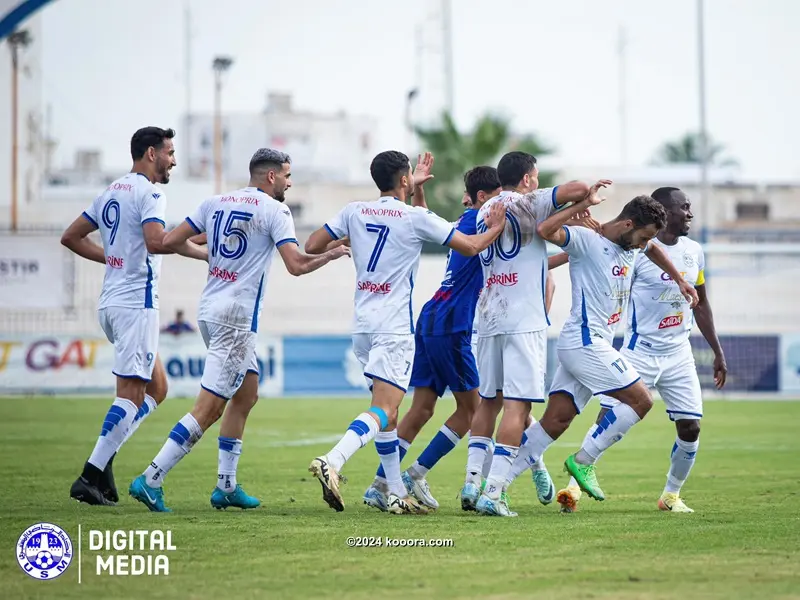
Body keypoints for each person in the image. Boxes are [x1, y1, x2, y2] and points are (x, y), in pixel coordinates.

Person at [128, 148, 349, 512]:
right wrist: (328, 254)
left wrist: (206, 254)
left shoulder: (214, 202)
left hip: (210, 309)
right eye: (288, 175)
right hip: (235, 319)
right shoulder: (276, 210)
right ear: (271, 177)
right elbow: (295, 265)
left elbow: (168, 241)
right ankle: (151, 478)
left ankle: (226, 487)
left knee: (246, 395)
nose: (290, 182)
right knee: (209, 408)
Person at [304, 150, 507, 514]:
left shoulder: (355, 211)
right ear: (404, 179)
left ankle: (393, 490)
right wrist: (498, 226)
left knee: (393, 414)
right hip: (393, 328)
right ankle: (333, 459)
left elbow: (312, 245)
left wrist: (349, 243)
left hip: (362, 325)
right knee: (385, 410)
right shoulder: (415, 218)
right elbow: (473, 245)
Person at [508, 183, 699, 510]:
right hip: (585, 341)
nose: (644, 245)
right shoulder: (586, 239)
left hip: (590, 343)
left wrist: (680, 279)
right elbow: (545, 229)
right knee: (641, 400)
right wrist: (579, 206)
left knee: (556, 421)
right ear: (628, 226)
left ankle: (494, 484)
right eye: (642, 237)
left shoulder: (631, 245)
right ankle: (584, 460)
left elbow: (651, 249)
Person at [557, 187, 726, 514]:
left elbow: (701, 303)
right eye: (683, 207)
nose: (689, 213)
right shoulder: (633, 249)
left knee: (690, 427)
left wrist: (717, 351)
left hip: (679, 352)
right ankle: (574, 487)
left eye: (690, 207)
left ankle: (671, 496)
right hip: (639, 349)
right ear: (662, 211)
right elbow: (601, 272)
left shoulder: (694, 251)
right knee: (609, 415)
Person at [61, 126, 207, 506]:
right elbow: (157, 243)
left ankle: (104, 461)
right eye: (170, 152)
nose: (174, 159)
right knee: (130, 396)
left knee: (157, 388)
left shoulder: (113, 190)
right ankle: (90, 475)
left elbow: (72, 236)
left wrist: (112, 259)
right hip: (135, 305)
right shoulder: (151, 192)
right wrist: (205, 251)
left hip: (111, 303)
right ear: (150, 153)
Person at [359, 166, 504, 512]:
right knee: (473, 410)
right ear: (484, 198)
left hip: (430, 318)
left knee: (422, 408)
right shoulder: (483, 225)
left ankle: (381, 484)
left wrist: (420, 192)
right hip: (451, 325)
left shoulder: (465, 222)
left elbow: (424, 219)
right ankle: (415, 474)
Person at [466, 151, 592, 517]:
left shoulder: (482, 214)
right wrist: (586, 199)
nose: (537, 182)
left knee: (488, 401)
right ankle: (494, 492)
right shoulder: (527, 202)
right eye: (535, 176)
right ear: (525, 179)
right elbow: (579, 187)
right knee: (518, 408)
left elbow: (525, 257)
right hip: (523, 322)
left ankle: (472, 484)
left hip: (489, 318)